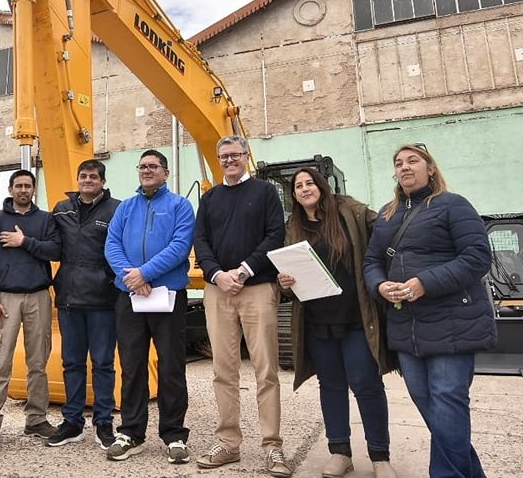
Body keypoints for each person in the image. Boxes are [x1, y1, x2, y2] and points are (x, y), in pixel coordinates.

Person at [363, 144, 494, 478]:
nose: (405, 167)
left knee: (447, 401)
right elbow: (372, 261)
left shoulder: (453, 205)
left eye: (413, 161)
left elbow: (477, 257)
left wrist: (425, 283)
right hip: (406, 325)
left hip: (453, 322)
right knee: (431, 406)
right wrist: (380, 285)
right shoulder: (387, 214)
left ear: (430, 168)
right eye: (399, 163)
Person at [276, 168, 398, 478]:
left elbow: (386, 231)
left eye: (309, 183)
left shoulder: (351, 212)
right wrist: (285, 283)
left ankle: (380, 456)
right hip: (318, 323)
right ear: (294, 195)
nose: (304, 189)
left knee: (367, 385)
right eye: (298, 186)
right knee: (330, 387)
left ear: (322, 186)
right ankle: (340, 452)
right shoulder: (293, 227)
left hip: (355, 318)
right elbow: (287, 282)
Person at [193, 135, 290, 478]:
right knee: (223, 370)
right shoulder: (210, 198)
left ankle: (272, 445)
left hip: (257, 288)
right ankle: (228, 442)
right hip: (218, 291)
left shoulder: (265, 192)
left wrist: (244, 270)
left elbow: (275, 235)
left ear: (246, 156)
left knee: (266, 370)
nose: (230, 160)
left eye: (236, 154)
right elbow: (200, 240)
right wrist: (217, 275)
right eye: (224, 156)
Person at [103, 149, 195, 464]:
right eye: (142, 166)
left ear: (165, 173)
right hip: (130, 296)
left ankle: (174, 435)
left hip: (167, 295)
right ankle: (131, 432)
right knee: (131, 366)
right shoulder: (126, 207)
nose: (147, 170)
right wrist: (131, 278)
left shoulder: (180, 206)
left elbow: (180, 246)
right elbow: (112, 244)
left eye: (153, 166)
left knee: (171, 367)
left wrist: (145, 273)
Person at [0, 169, 63, 454]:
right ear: (10, 189)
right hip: (6, 298)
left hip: (39, 295)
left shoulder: (46, 219)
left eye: (28, 186)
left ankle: (36, 419)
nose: (23, 190)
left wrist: (24, 242)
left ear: (34, 190)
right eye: (19, 186)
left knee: (38, 361)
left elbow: (55, 251)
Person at [44, 160, 120, 450]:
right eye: (83, 176)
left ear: (103, 181)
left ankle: (104, 423)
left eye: (93, 177)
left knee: (103, 364)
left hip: (103, 300)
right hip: (69, 300)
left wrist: (112, 282)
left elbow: (121, 249)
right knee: (72, 363)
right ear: (77, 179)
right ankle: (72, 422)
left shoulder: (116, 210)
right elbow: (52, 246)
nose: (88, 180)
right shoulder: (62, 209)